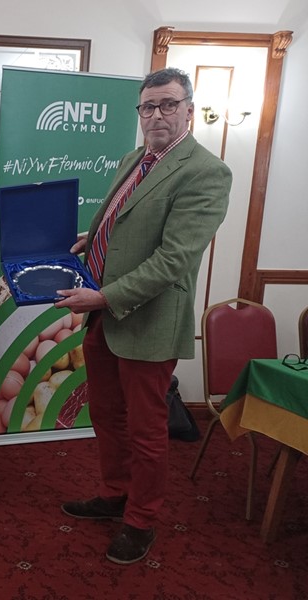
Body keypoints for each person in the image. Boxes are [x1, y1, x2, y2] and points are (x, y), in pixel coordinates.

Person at [54, 67, 232, 565]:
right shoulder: (136, 158)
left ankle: (141, 520)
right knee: (107, 415)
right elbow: (127, 222)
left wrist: (104, 296)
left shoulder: (206, 172)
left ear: (189, 110)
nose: (156, 114)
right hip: (105, 320)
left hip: (145, 319)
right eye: (148, 106)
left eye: (168, 105)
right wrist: (98, 240)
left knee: (146, 428)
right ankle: (115, 495)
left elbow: (174, 259)